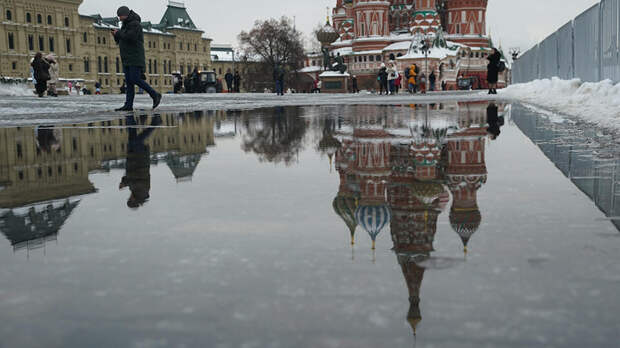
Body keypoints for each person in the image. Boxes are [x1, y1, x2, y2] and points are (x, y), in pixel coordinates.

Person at [112, 6, 162, 111]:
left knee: (135, 79)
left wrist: (119, 33)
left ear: (125, 14)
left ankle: (155, 94)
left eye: (120, 16)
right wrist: (115, 35)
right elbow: (122, 39)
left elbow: (131, 37)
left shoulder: (135, 24)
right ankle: (128, 105)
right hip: (126, 58)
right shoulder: (125, 25)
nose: (119, 18)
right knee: (129, 82)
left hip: (134, 57)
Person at [120, 114, 161, 209]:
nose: (129, 197)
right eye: (129, 199)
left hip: (133, 157)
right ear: (133, 200)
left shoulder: (134, 190)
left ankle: (129, 118)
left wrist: (124, 182)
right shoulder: (143, 191)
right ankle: (155, 124)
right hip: (140, 158)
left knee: (132, 134)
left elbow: (130, 176)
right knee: (136, 141)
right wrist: (126, 183)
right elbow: (136, 177)